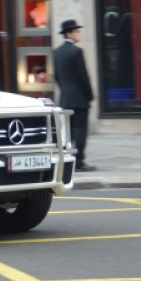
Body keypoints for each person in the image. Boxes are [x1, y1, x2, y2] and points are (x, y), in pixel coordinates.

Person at [52, 19, 96, 172]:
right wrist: (90, 95)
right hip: (79, 98)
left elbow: (56, 76)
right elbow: (83, 77)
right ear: (69, 34)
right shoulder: (77, 52)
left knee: (68, 131)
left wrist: (65, 91)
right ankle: (79, 161)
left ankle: (68, 160)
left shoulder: (56, 52)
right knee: (80, 130)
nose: (79, 34)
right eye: (77, 31)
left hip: (65, 98)